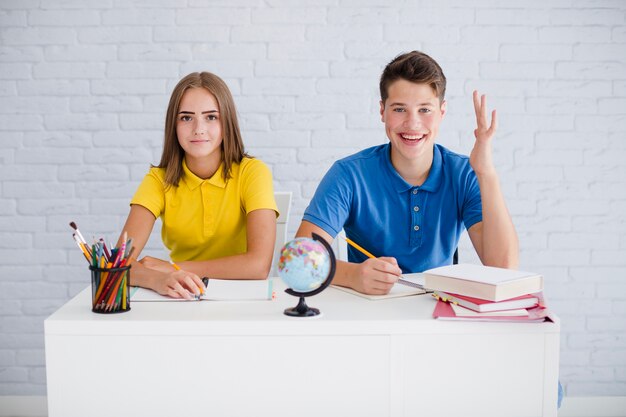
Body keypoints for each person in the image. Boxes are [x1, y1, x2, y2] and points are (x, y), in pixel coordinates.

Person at [296, 50, 519, 295]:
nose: (413, 123)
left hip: (438, 311)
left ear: (442, 112)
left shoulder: (465, 173)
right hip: (368, 311)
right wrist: (352, 275)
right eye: (399, 109)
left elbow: (504, 269)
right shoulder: (349, 174)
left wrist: (486, 173)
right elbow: (300, 260)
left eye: (425, 110)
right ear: (382, 111)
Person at [117, 72, 278, 299]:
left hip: (243, 298)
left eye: (211, 117)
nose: (198, 129)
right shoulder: (157, 180)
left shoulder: (252, 172)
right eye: (186, 118)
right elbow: (118, 263)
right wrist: (158, 278)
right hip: (184, 298)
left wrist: (175, 268)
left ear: (227, 122)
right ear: (173, 124)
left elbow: (259, 266)